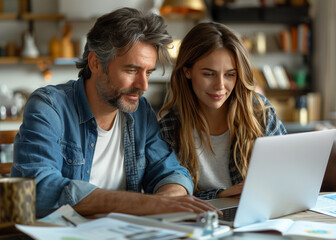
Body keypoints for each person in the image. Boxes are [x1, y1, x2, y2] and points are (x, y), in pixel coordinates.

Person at [11, 8, 218, 217]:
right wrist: (147, 204)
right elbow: (40, 189)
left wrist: (167, 198)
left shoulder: (141, 113)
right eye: (131, 70)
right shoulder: (49, 107)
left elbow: (172, 173)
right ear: (95, 63)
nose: (143, 85)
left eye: (148, 72)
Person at [158, 22, 287, 200]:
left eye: (230, 74)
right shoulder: (169, 127)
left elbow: (286, 176)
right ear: (187, 71)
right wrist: (220, 195)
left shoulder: (259, 113)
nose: (220, 86)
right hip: (200, 220)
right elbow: (171, 199)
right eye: (209, 74)